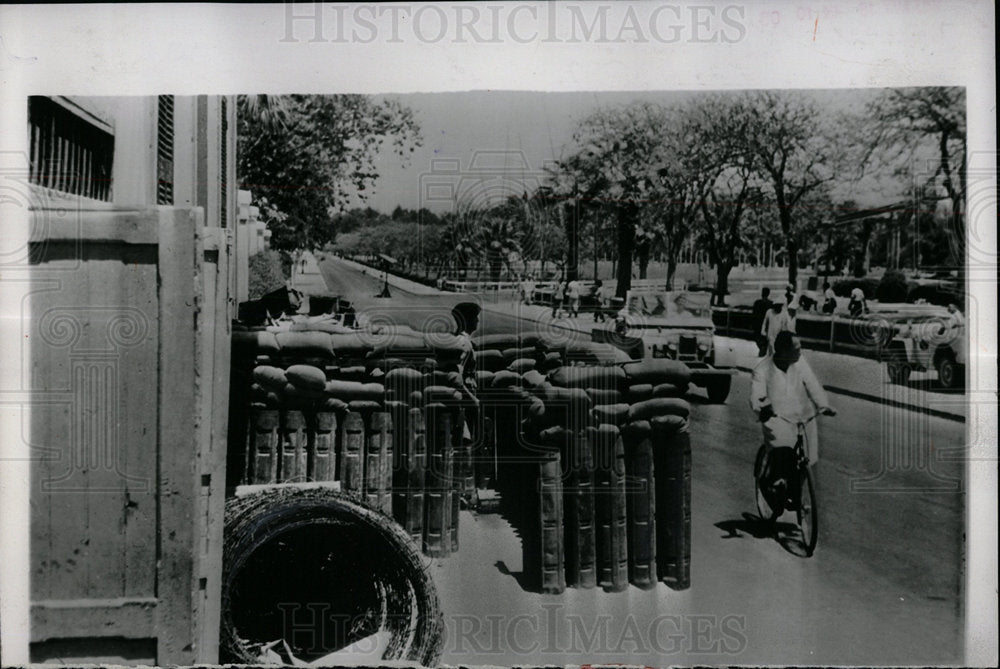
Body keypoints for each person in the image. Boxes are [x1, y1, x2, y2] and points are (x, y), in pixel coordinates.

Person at [751, 331, 836, 468]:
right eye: (796, 350)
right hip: (778, 420)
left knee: (808, 459)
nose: (800, 353)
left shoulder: (799, 363)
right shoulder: (762, 370)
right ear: (784, 351)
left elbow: (812, 384)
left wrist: (823, 405)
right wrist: (763, 409)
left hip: (803, 418)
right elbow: (757, 396)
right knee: (783, 452)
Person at [751, 287, 772, 356]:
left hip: (758, 322)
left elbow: (754, 314)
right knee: (765, 338)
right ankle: (763, 348)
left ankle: (762, 348)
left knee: (757, 337)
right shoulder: (771, 303)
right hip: (766, 323)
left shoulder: (757, 302)